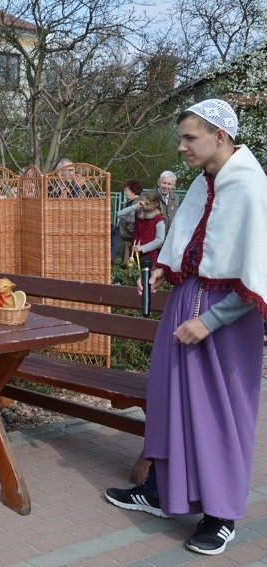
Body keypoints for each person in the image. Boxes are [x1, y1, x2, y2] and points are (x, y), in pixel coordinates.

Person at [105, 99, 267, 556]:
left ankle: (221, 516)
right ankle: (160, 491)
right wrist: (167, 268)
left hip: (226, 322)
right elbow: (193, 243)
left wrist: (209, 321)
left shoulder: (252, 188)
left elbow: (258, 273)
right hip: (186, 305)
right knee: (170, 399)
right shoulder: (203, 184)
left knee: (220, 415)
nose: (181, 148)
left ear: (220, 136)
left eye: (189, 138)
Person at [116, 189, 165, 265]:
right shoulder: (138, 215)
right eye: (143, 202)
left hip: (149, 258)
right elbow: (120, 215)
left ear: (155, 204)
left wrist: (143, 248)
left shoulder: (159, 219)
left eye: (147, 204)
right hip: (134, 255)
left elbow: (160, 240)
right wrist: (135, 206)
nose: (144, 205)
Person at [114, 179, 143, 264]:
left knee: (126, 264)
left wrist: (126, 235)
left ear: (134, 191)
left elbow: (134, 222)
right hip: (123, 240)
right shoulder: (129, 203)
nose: (125, 192)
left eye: (127, 190)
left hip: (128, 241)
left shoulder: (136, 203)